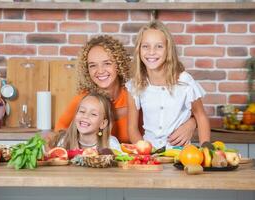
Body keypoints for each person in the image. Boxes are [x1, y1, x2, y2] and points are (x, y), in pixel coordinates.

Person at [55, 35, 196, 145]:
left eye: (107, 63)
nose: (100, 71)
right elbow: (59, 131)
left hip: (140, 161)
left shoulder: (137, 91)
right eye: (92, 65)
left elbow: (170, 111)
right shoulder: (84, 100)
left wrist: (192, 123)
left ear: (119, 64)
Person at [126, 20, 211, 149]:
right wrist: (145, 152)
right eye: (145, 46)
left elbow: (201, 116)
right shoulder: (134, 85)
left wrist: (206, 149)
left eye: (159, 46)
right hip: (150, 156)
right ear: (139, 50)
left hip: (181, 155)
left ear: (168, 50)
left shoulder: (185, 82)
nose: (151, 52)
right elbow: (132, 129)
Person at [46, 92, 121, 151]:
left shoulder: (111, 144)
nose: (85, 116)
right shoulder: (64, 141)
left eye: (93, 114)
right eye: (82, 111)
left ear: (103, 123)